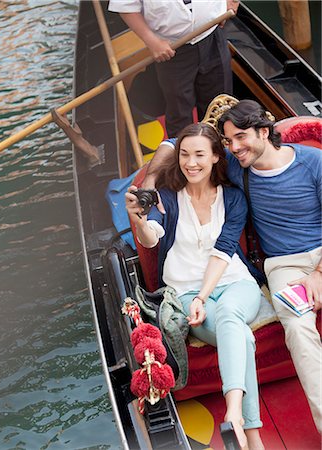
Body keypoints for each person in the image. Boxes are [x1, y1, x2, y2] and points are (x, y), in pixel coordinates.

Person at [145, 98, 322, 434]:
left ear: (265, 131)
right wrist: (150, 186)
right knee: (298, 329)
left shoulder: (313, 162)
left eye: (241, 137)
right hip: (285, 267)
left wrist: (319, 274)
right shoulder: (238, 166)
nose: (235, 147)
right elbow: (175, 146)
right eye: (228, 141)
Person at [126, 123, 265, 450]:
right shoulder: (168, 199)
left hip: (235, 284)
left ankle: (233, 413)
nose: (191, 163)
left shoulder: (233, 198)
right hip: (185, 292)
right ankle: (252, 435)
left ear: (216, 157)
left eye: (200, 155)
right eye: (185, 155)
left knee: (231, 313)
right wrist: (140, 221)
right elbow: (152, 239)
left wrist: (204, 295)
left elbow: (225, 248)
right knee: (241, 334)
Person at [108, 0, 238, 137]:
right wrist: (152, 41)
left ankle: (221, 149)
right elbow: (125, 6)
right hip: (171, 49)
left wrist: (233, 1)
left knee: (220, 105)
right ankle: (184, 153)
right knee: (179, 110)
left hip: (213, 33)